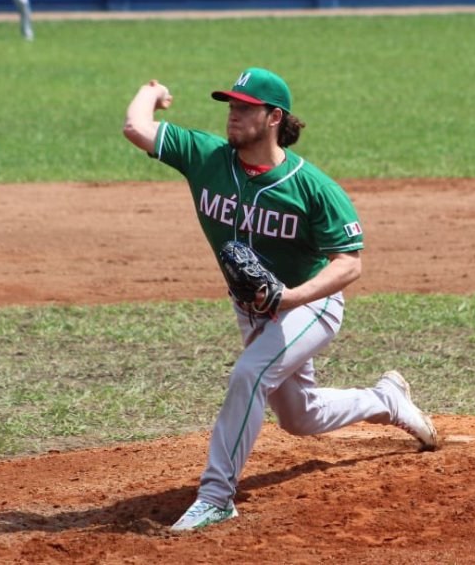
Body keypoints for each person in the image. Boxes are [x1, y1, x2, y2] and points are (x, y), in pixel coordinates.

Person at [121, 68, 440, 532]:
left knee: (250, 375)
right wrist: (149, 92)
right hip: (254, 310)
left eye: (245, 108)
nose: (233, 115)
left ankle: (216, 497)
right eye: (231, 106)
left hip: (311, 305)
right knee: (300, 416)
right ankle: (386, 401)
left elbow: (348, 264)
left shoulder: (313, 188)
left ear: (273, 117)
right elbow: (136, 128)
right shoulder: (207, 157)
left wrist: (291, 298)